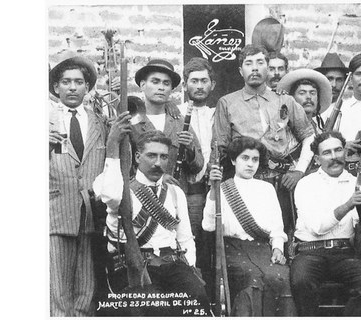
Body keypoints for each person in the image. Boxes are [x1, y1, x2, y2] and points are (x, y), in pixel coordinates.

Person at [93, 130, 209, 316]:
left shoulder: (174, 192)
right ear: (137, 157)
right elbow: (110, 195)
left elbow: (185, 237)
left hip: (172, 264)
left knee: (198, 299)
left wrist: (191, 269)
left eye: (163, 157)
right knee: (155, 307)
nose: (157, 163)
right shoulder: (121, 190)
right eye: (151, 155)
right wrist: (114, 145)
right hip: (132, 266)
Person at [211, 44, 315, 233]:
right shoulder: (227, 103)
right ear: (240, 71)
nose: (255, 68)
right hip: (245, 181)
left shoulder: (285, 100)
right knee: (248, 232)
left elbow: (309, 137)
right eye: (249, 64)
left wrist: (299, 171)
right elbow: (220, 148)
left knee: (284, 232)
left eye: (260, 62)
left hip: (282, 180)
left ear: (267, 67)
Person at [290, 131, 361, 316]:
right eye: (327, 153)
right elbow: (318, 227)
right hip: (310, 253)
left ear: (345, 153)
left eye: (338, 150)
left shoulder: (355, 181)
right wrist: (349, 204)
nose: (334, 157)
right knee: (301, 281)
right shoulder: (306, 184)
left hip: (346, 254)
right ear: (317, 159)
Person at [202, 136, 295, 316]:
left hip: (262, 248)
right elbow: (208, 226)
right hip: (232, 249)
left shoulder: (266, 189)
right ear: (233, 160)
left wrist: (277, 249)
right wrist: (213, 190)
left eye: (255, 159)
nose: (250, 164)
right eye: (245, 158)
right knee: (251, 277)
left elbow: (277, 227)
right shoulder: (221, 188)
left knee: (280, 277)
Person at [49, 55, 110, 316]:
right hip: (56, 209)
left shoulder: (99, 122)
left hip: (91, 211)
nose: (72, 87)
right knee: (57, 283)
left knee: (87, 284)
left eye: (78, 82)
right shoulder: (43, 119)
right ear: (56, 88)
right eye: (66, 82)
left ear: (87, 88)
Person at [130, 59, 204, 192]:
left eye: (166, 83)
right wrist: (158, 177)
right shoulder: (132, 122)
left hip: (174, 198)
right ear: (142, 85)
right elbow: (123, 166)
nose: (161, 87)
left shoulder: (179, 121)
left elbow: (198, 166)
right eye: (155, 81)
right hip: (139, 196)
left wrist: (190, 148)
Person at [177, 57, 216, 276]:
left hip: (212, 190)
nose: (199, 86)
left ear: (212, 85)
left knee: (210, 247)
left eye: (204, 81)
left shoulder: (218, 113)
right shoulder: (176, 114)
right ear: (185, 85)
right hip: (189, 190)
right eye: (194, 81)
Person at [276, 68, 333, 135]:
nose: (308, 97)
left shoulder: (319, 130)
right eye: (302, 93)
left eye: (312, 93)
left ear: (317, 100)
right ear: (292, 98)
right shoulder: (282, 128)